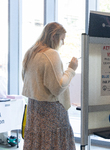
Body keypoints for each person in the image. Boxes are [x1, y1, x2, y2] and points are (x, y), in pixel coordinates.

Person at [22, 22, 78, 150]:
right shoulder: (51, 54)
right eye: (62, 39)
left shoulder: (31, 52)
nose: (63, 43)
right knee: (54, 142)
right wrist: (71, 69)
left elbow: (26, 78)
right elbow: (58, 87)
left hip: (35, 109)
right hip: (52, 110)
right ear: (54, 37)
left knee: (38, 142)